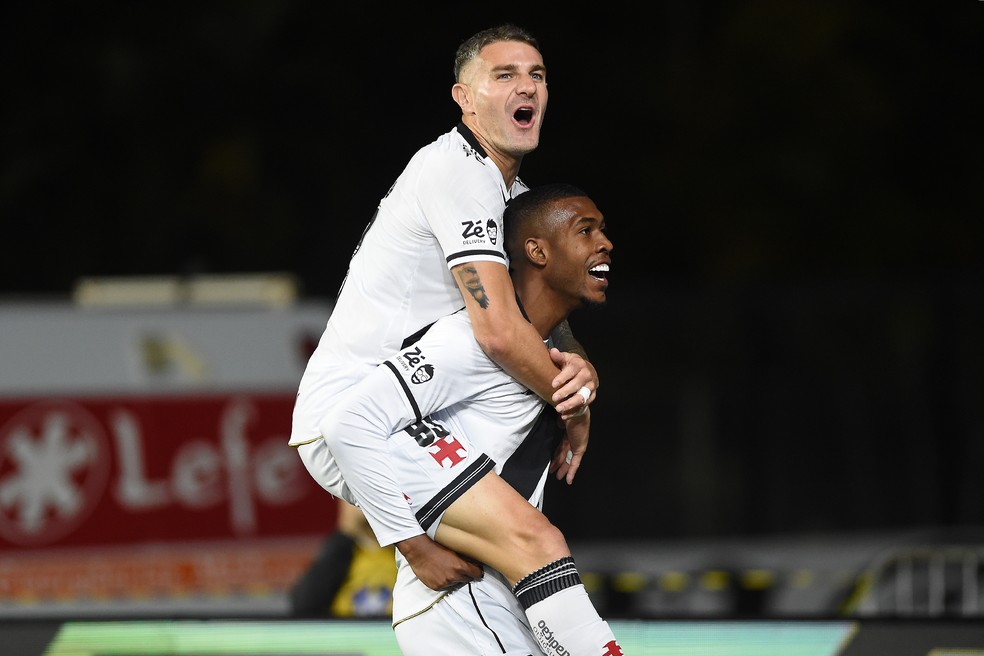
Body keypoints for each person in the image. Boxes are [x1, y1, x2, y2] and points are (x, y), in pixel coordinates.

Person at [290, 23, 597, 591]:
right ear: (464, 98)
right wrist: (575, 409)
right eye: (503, 75)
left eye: (536, 75)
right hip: (360, 415)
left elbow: (543, 320)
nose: (526, 86)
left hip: (422, 410)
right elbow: (500, 331)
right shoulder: (457, 171)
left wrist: (577, 364)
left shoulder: (511, 197)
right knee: (536, 546)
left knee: (492, 586)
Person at [322, 183, 622, 654]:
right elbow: (347, 423)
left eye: (602, 229)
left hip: (504, 599)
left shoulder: (545, 354)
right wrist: (413, 547)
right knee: (540, 539)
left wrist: (581, 394)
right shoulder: (468, 340)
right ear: (537, 251)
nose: (605, 242)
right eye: (586, 231)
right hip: (462, 606)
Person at [287, 499, 396, 619]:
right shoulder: (342, 550)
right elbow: (304, 606)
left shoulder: (403, 548)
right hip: (345, 628)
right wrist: (345, 534)